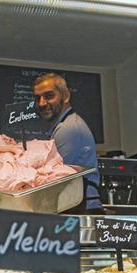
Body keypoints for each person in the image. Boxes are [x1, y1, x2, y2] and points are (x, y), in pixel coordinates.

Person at [32, 72, 103, 211]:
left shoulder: (69, 129)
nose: (41, 103)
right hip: (73, 206)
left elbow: (52, 180)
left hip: (81, 209)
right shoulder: (64, 125)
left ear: (65, 96)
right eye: (37, 98)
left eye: (49, 96)